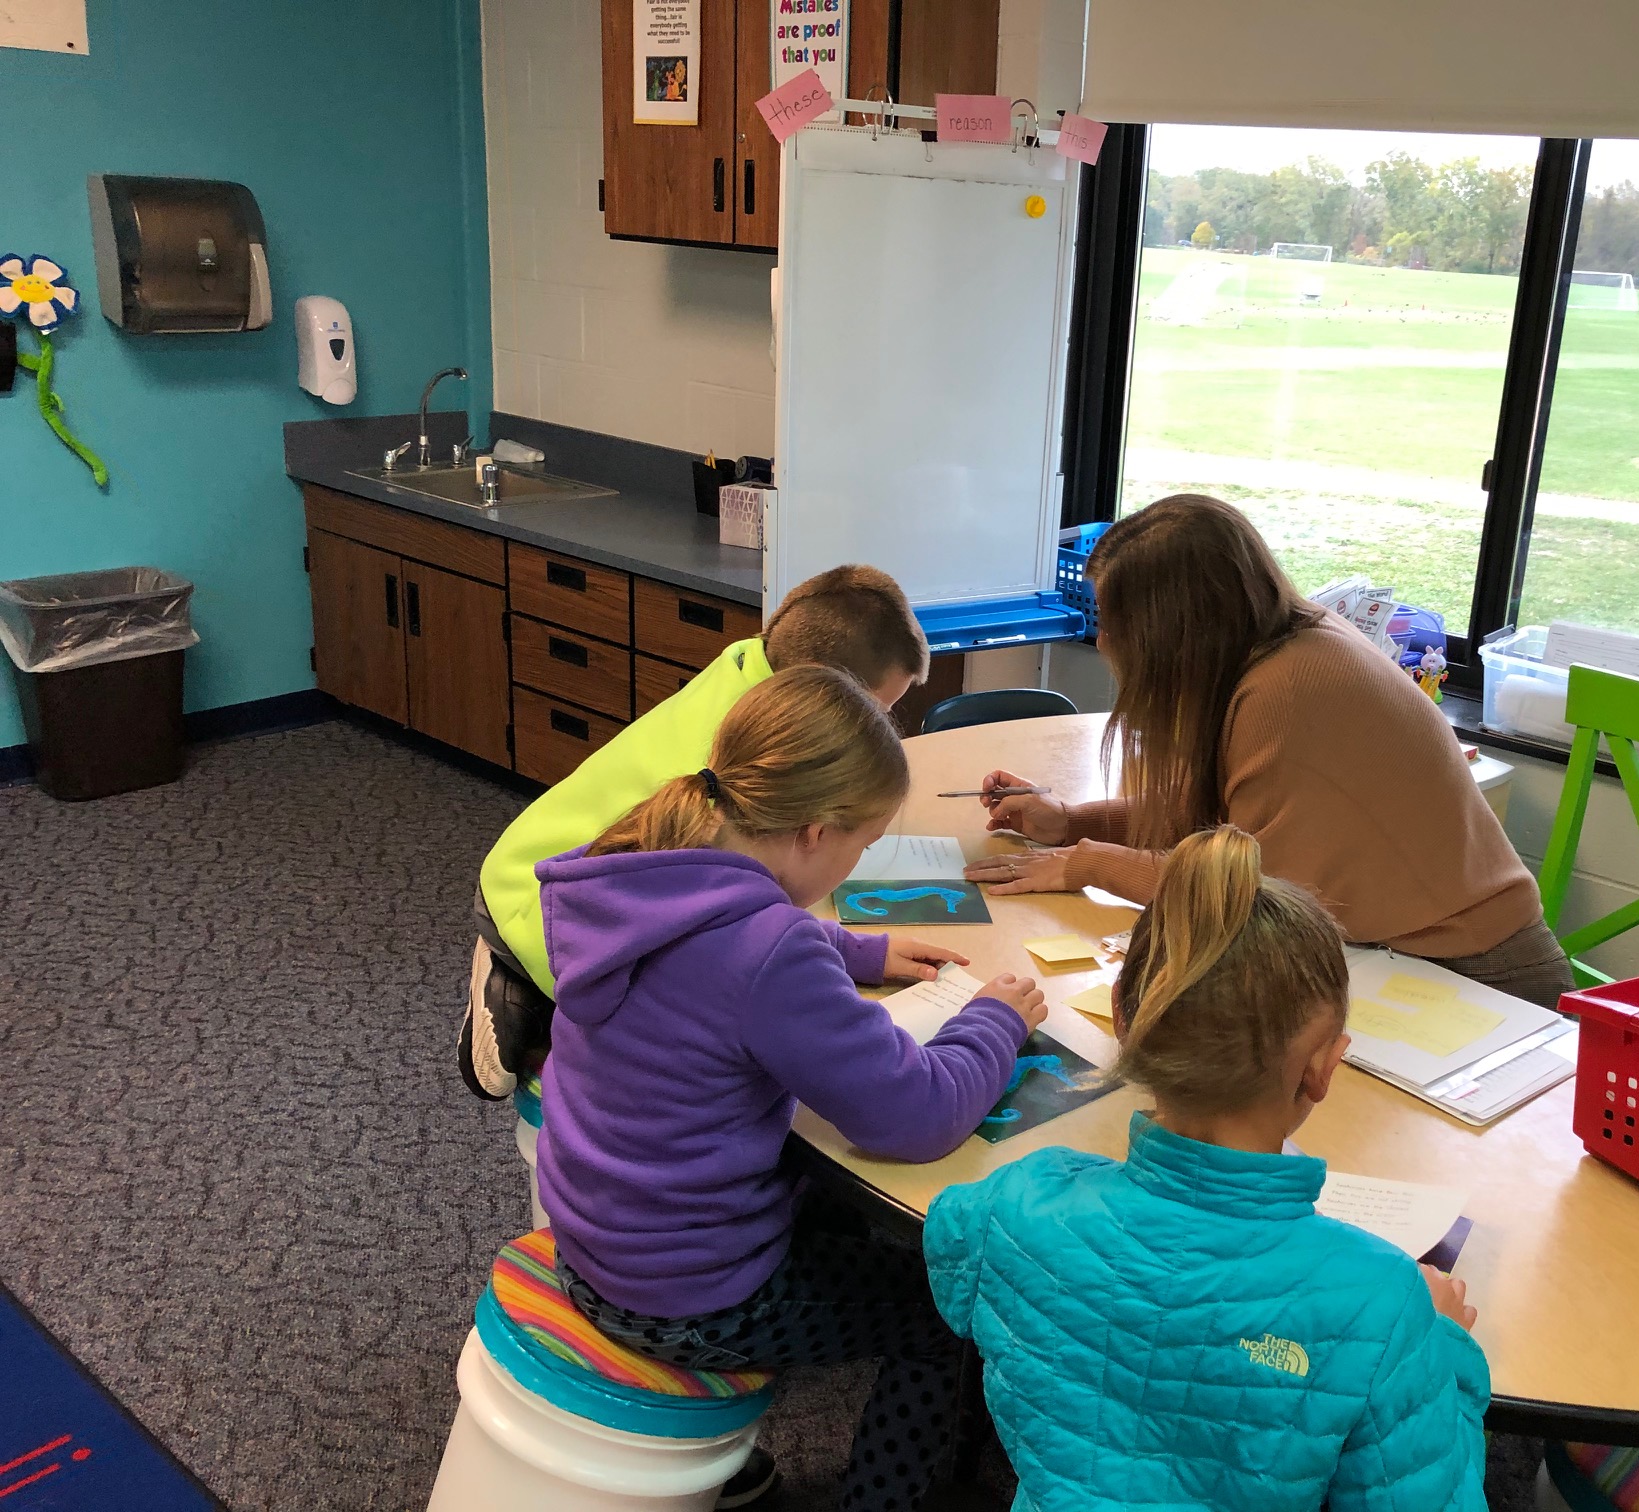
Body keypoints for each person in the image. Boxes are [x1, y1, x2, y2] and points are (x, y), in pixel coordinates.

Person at [538, 665, 1046, 1511]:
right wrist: (995, 1020)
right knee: (941, 1319)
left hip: (595, 1237)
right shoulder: (771, 952)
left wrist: (862, 953)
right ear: (816, 833)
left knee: (847, 1204)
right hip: (686, 1294)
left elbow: (727, 936)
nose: (856, 862)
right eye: (862, 845)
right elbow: (915, 1117)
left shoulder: (645, 853)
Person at [924, 826, 1489, 1511]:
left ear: (1125, 1025)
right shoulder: (1383, 1305)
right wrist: (1443, 1353)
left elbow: (952, 1244)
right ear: (1323, 1068)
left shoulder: (1018, 1201)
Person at [964, 493, 1572, 1007]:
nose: (1101, 639)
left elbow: (1235, 887)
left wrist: (1087, 861)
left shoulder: (1289, 691)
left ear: (1174, 628)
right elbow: (1226, 820)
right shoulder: (1275, 651)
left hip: (1471, 978)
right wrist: (1071, 822)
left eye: (1113, 621)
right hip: (1399, 957)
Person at [460, 563, 930, 1097]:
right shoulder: (743, 778)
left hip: (546, 865)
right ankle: (513, 973)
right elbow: (740, 941)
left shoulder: (750, 672)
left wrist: (851, 950)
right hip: (532, 901)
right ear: (817, 694)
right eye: (874, 712)